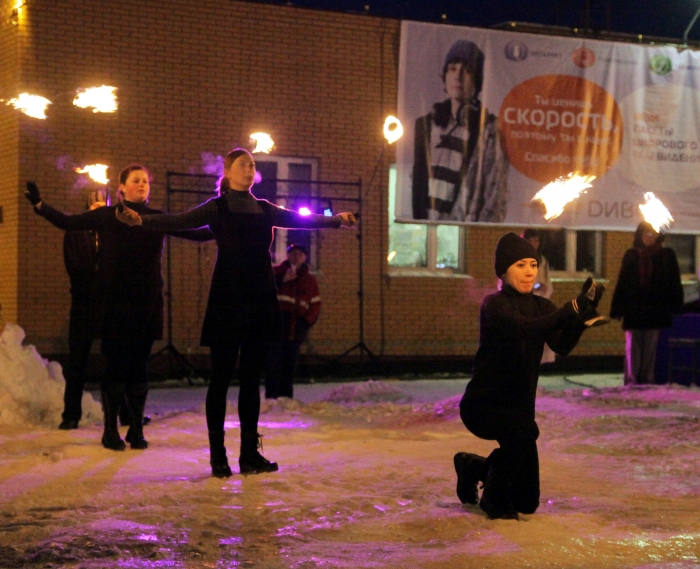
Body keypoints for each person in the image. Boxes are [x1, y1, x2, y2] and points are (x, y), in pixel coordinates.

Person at [116, 148, 356, 478]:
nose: (249, 168)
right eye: (242, 164)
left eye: (252, 165)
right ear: (228, 173)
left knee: (251, 381)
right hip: (228, 299)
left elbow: (301, 219)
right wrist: (142, 219)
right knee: (220, 380)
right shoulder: (218, 207)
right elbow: (180, 220)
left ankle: (248, 454)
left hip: (259, 299)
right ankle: (218, 456)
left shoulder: (264, 208)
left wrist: (335, 220)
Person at [25, 165, 213, 451]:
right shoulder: (107, 215)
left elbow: (195, 233)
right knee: (115, 366)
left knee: (139, 367)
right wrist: (40, 205)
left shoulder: (156, 218)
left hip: (147, 303)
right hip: (116, 303)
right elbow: (67, 222)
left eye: (145, 181)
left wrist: (229, 225)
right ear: (122, 187)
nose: (142, 184)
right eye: (135, 180)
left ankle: (136, 429)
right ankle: (110, 430)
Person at [454, 233, 605, 520]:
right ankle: (494, 502)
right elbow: (524, 328)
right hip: (484, 406)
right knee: (522, 435)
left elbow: (561, 345)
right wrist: (570, 309)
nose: (529, 272)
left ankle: (474, 467)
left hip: (519, 412)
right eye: (520, 265)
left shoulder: (542, 306)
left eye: (533, 265)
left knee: (527, 501)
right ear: (503, 271)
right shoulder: (494, 304)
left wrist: (580, 321)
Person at [412, 39, 508, 222]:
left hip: (464, 230)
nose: (458, 76)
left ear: (477, 80)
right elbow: (417, 185)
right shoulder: (426, 125)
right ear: (445, 75)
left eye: (467, 70)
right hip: (427, 229)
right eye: (452, 69)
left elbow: (495, 196)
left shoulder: (489, 131)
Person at [610, 221, 684, 385]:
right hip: (634, 309)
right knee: (633, 347)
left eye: (652, 235)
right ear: (640, 236)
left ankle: (646, 381)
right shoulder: (632, 255)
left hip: (655, 309)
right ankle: (632, 380)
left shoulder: (665, 255)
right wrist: (618, 307)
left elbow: (674, 281)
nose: (648, 238)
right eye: (645, 234)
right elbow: (623, 282)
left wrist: (676, 304)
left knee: (650, 348)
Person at [58, 189, 107, 430]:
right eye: (95, 206)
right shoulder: (76, 231)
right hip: (84, 304)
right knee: (77, 361)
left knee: (116, 361)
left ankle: (123, 413)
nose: (99, 210)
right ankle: (71, 415)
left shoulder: (112, 231)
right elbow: (74, 266)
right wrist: (96, 273)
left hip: (109, 305)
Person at [265, 243, 320, 399]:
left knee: (289, 362)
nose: (296, 257)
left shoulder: (309, 280)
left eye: (300, 254)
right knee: (273, 361)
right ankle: (272, 397)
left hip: (296, 325)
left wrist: (305, 323)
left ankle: (286, 398)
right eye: (293, 253)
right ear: (288, 256)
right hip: (276, 322)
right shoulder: (276, 272)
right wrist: (281, 280)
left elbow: (315, 304)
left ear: (305, 258)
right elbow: (263, 292)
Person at [522, 228, 555, 364]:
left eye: (536, 240)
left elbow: (547, 282)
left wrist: (544, 290)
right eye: (530, 240)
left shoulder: (542, 260)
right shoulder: (519, 259)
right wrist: (535, 286)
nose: (534, 244)